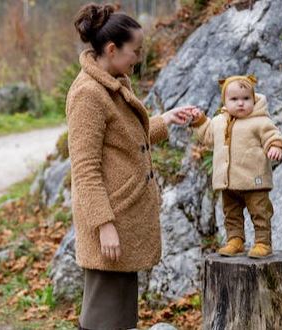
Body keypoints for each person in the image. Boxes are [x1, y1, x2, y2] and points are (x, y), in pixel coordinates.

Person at [66, 3, 199, 329]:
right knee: (102, 319)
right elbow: (84, 170)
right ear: (112, 49)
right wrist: (104, 225)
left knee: (120, 318)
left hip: (123, 218)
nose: (138, 58)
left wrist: (164, 120)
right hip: (110, 222)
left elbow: (125, 141)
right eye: (135, 51)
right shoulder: (88, 94)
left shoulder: (111, 81)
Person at [189, 75, 282, 259]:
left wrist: (275, 146)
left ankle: (262, 242)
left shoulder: (259, 121)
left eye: (246, 98)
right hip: (228, 182)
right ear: (225, 100)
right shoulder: (219, 121)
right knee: (231, 214)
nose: (240, 103)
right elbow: (208, 136)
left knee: (260, 212)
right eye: (234, 99)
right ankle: (235, 240)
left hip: (254, 180)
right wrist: (199, 120)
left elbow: (272, 135)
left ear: (254, 99)